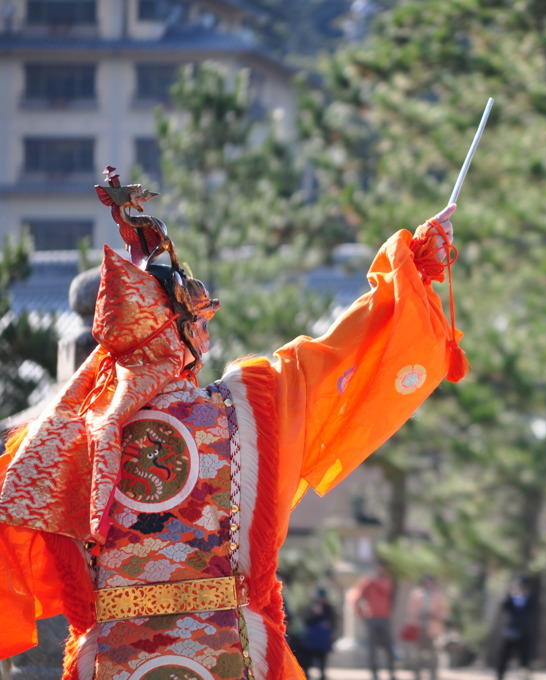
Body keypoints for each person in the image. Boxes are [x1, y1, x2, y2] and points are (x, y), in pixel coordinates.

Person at [0, 167, 467, 679]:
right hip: (229, 650)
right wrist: (414, 267)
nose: (206, 330)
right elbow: (338, 354)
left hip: (112, 660)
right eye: (199, 318)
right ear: (181, 331)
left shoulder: (64, 442)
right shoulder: (248, 408)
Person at [348, 563, 397, 680]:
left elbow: (386, 589)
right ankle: (374, 673)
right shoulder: (367, 582)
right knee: (372, 647)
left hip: (384, 618)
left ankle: (391, 671)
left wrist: (372, 581)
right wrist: (360, 612)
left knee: (388, 646)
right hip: (372, 618)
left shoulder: (385, 581)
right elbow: (356, 596)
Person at [405, 575, 449, 680]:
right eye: (426, 582)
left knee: (433, 654)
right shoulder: (416, 594)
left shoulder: (438, 595)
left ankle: (433, 675)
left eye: (430, 582)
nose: (428, 584)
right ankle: (417, 675)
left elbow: (444, 612)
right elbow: (410, 610)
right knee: (417, 654)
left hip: (432, 629)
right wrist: (419, 613)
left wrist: (435, 615)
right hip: (419, 628)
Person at [496, 577, 537, 680]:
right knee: (504, 656)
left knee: (525, 657)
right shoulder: (511, 600)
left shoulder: (530, 600)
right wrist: (511, 593)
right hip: (510, 632)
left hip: (525, 632)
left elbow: (534, 611)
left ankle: (525, 675)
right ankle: (500, 675)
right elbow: (503, 606)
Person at [302, 588, 338, 679]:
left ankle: (322, 675)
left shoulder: (329, 608)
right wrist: (315, 613)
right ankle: (306, 674)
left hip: (323, 639)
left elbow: (333, 622)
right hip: (312, 638)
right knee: (309, 659)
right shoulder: (312, 607)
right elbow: (306, 620)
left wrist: (328, 626)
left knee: (322, 659)